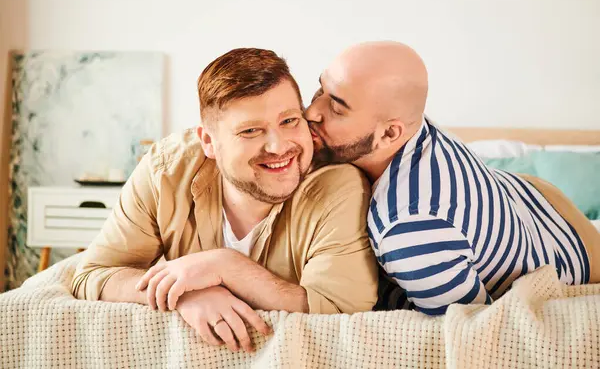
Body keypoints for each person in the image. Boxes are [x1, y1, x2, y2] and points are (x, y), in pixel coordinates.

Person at [72, 48, 378, 352]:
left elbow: (340, 311)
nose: (278, 146)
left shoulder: (339, 186)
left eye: (289, 121)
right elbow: (92, 274)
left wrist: (225, 266)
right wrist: (183, 293)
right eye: (250, 131)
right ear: (208, 141)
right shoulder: (165, 171)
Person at [305, 41, 600, 315]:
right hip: (537, 204)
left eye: (336, 108)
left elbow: (473, 326)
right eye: (320, 90)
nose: (311, 112)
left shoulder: (406, 228)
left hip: (576, 254)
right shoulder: (419, 130)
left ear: (389, 133)